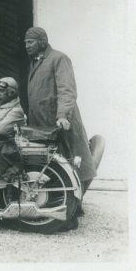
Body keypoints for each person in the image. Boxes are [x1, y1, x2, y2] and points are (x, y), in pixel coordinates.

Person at [24, 27, 97, 219]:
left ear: (42, 41)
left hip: (61, 124)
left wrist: (63, 115)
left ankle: (74, 206)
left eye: (29, 42)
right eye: (25, 42)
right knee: (53, 166)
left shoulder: (58, 58)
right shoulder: (35, 62)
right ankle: (63, 203)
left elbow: (67, 90)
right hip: (42, 126)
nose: (26, 46)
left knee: (74, 163)